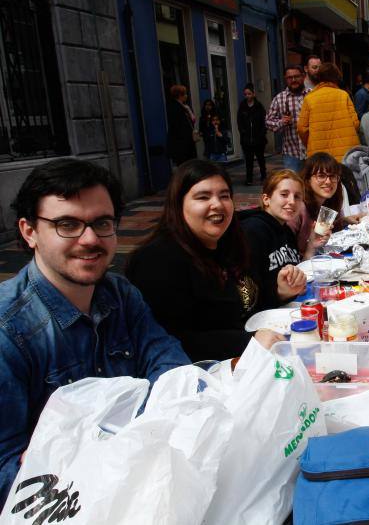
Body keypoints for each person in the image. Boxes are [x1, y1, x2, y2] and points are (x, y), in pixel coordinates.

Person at [0, 159, 190, 502]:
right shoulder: (9, 332)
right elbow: (7, 473)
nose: (90, 239)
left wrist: (97, 445)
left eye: (102, 223)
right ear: (29, 231)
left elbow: (171, 367)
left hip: (146, 484)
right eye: (67, 224)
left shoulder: (119, 294)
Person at [127, 160, 283, 362]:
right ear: (179, 204)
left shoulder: (228, 243)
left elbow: (247, 301)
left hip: (247, 362)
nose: (217, 204)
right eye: (203, 197)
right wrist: (249, 342)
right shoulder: (157, 261)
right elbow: (172, 340)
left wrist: (279, 292)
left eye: (224, 196)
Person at [240, 170, 310, 311]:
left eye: (297, 197)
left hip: (286, 306)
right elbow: (247, 298)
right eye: (284, 194)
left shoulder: (286, 230)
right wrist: (280, 294)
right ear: (266, 199)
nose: (292, 202)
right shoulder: (252, 231)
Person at [289, 153, 352, 256]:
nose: (328, 181)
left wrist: (345, 220)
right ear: (308, 179)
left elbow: (333, 234)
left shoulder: (331, 202)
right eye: (321, 176)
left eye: (332, 176)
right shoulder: (298, 208)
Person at [297, 63, 360, 162]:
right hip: (345, 154)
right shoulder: (343, 95)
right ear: (336, 77)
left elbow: (302, 129)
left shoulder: (309, 98)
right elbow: (355, 123)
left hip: (318, 154)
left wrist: (311, 142)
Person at [266, 64, 310, 172]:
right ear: (286, 79)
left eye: (296, 76)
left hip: (312, 151)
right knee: (293, 185)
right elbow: (268, 122)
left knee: (312, 186)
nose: (293, 80)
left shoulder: (312, 95)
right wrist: (281, 122)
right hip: (291, 152)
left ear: (303, 77)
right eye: (290, 78)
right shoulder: (280, 98)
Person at [237, 83, 267, 185]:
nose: (247, 96)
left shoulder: (259, 106)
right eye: (245, 94)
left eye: (249, 94)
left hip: (258, 138)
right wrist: (243, 133)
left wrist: (261, 134)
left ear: (253, 94)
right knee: (248, 160)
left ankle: (263, 175)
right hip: (246, 139)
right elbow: (239, 121)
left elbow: (264, 121)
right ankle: (249, 178)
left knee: (260, 158)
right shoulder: (242, 106)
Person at [166, 84, 197, 166]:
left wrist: (189, 110)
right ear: (180, 95)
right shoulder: (175, 108)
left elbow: (193, 120)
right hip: (182, 145)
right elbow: (179, 127)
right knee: (185, 166)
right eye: (185, 93)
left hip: (185, 144)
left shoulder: (184, 107)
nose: (186, 96)